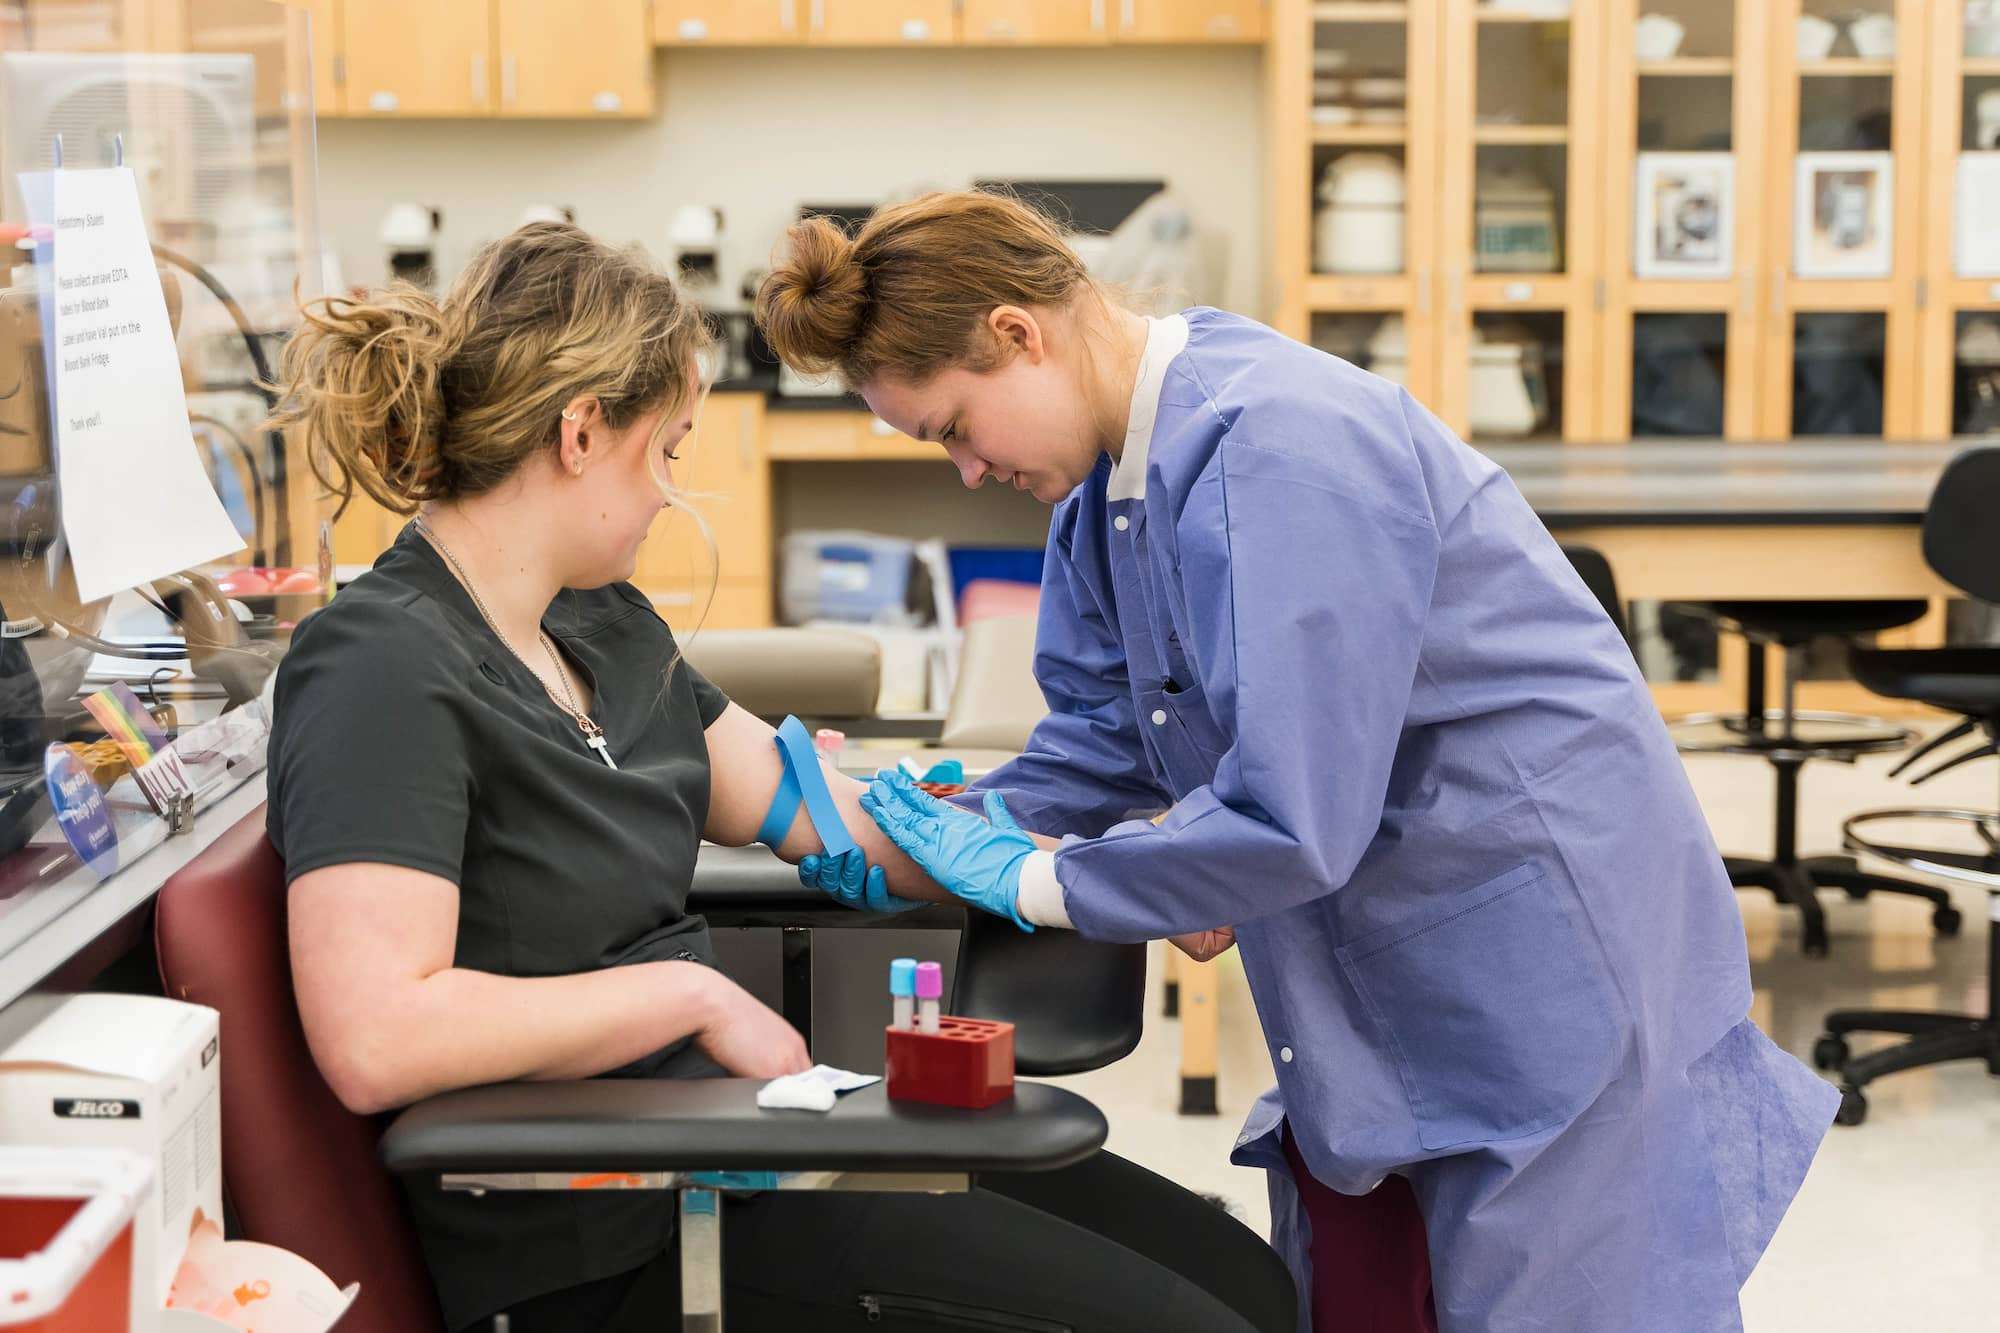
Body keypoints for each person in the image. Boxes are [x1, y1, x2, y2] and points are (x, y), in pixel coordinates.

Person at [756, 191, 1840, 1333]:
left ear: (1018, 333)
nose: (965, 472)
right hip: (1371, 952)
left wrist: (1034, 879)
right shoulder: (1106, 497)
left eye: (953, 430)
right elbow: (1100, 745)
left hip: (1537, 941)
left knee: (1555, 1294)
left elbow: (1290, 817)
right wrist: (924, 815)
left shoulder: (1278, 443)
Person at [266, 221, 1293, 1333]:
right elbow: (379, 1038)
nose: (669, 495)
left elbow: (830, 818)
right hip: (604, 1227)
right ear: (578, 433)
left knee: (1241, 1283)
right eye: (665, 451)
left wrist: (1110, 868)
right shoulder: (379, 666)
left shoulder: (598, 627)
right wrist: (691, 992)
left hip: (740, 1144)